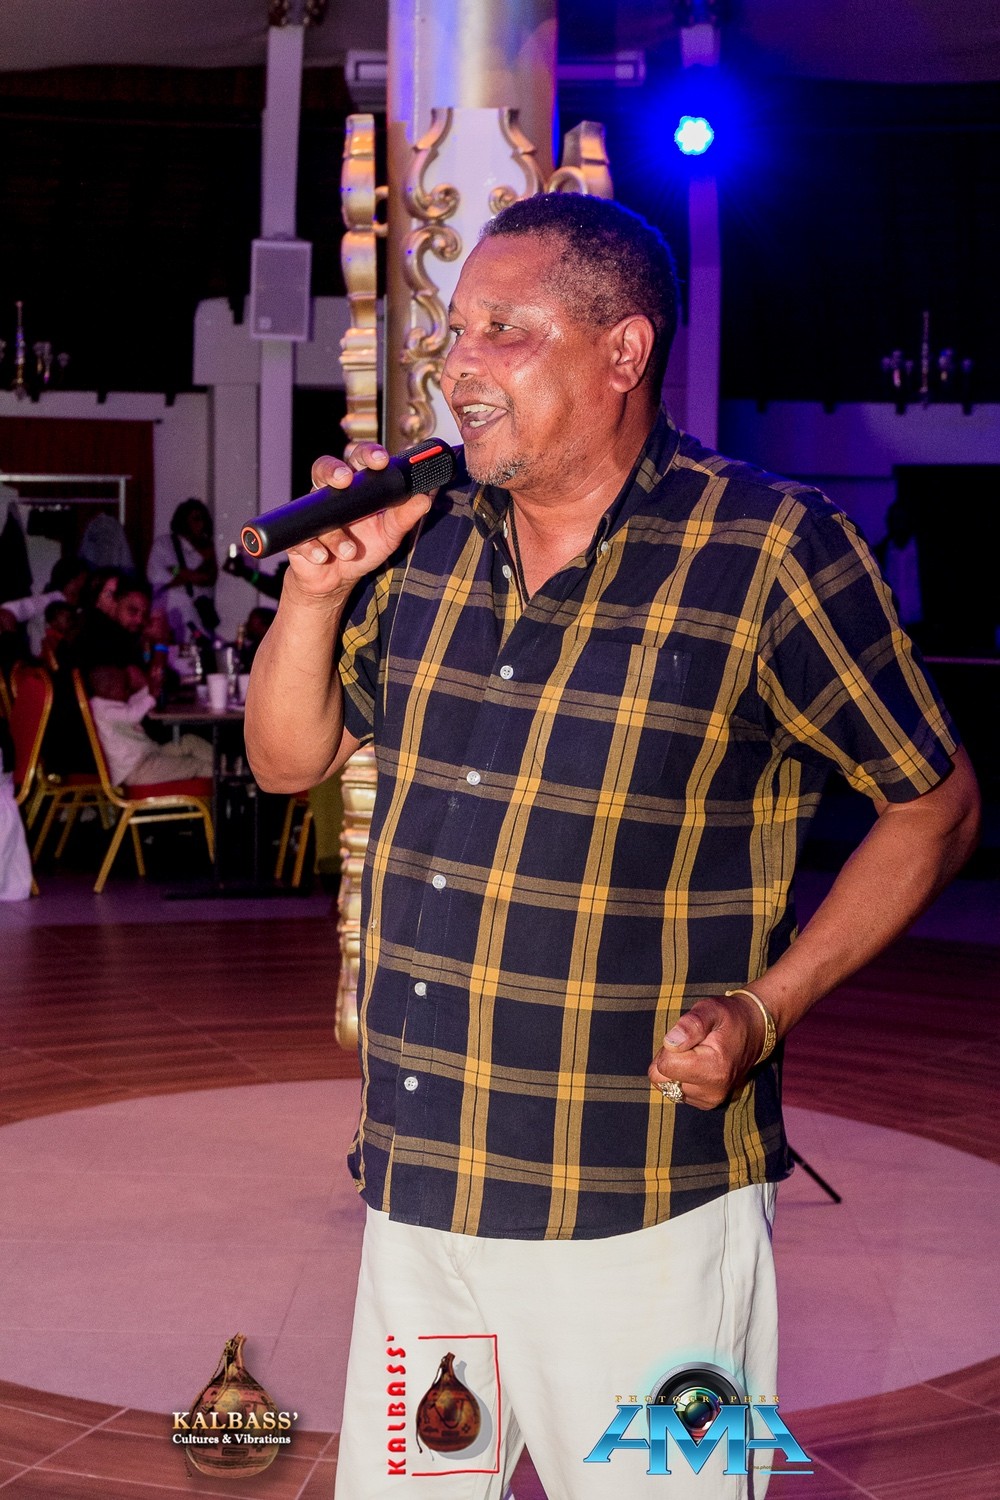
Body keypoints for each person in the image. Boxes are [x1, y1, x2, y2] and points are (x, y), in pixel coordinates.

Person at [245, 195, 980, 1500]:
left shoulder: (768, 549)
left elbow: (935, 802)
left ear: (624, 351)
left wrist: (766, 1009)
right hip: (423, 1196)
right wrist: (316, 589)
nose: (459, 367)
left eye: (505, 332)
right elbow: (285, 761)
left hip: (647, 1215)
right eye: (455, 332)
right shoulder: (424, 545)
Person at [88, 663, 212, 788]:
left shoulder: (107, 703)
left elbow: (133, 703)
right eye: (125, 686)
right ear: (111, 689)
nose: (128, 690)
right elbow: (132, 715)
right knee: (195, 765)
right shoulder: (104, 711)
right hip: (137, 770)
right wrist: (151, 696)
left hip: (149, 756)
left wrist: (150, 688)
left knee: (189, 741)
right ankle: (222, 773)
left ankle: (224, 765)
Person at [147, 499, 219, 643]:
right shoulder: (164, 544)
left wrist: (178, 571)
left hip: (198, 616)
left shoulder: (206, 548)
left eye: (203, 519)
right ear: (183, 520)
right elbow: (156, 577)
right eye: (196, 519)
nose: (200, 524)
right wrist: (186, 574)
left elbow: (208, 578)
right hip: (171, 614)